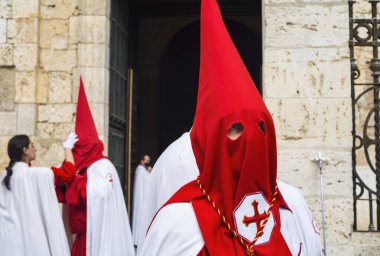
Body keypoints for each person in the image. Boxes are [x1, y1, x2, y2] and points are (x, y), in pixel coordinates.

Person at [140, 0, 322, 255]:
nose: (249, 138)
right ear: (210, 138)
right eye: (235, 127)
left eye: (261, 127)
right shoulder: (176, 221)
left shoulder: (292, 205)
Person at [57, 77, 135, 256]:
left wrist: (74, 178)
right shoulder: (83, 169)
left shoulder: (102, 166)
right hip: (81, 239)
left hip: (97, 238)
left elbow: (98, 194)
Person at [0, 132, 78, 256]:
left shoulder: (4, 177)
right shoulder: (36, 175)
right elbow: (69, 172)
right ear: (25, 150)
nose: (35, 148)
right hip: (30, 237)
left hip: (8, 239)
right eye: (32, 145)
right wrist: (67, 148)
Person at [132, 154, 151, 248]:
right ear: (142, 161)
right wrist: (151, 172)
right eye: (146, 160)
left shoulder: (142, 170)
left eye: (149, 160)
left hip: (142, 198)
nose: (147, 162)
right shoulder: (140, 170)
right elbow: (149, 180)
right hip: (141, 199)